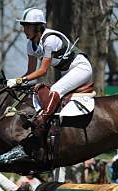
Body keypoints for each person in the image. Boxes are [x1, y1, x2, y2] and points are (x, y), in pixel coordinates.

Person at [7, 7, 92, 137]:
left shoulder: (50, 40)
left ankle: (41, 121)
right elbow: (30, 71)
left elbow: (42, 71)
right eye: (23, 26)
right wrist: (16, 82)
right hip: (67, 72)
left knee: (56, 89)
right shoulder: (30, 45)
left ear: (37, 27)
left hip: (80, 68)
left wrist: (19, 80)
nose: (24, 30)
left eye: (27, 26)